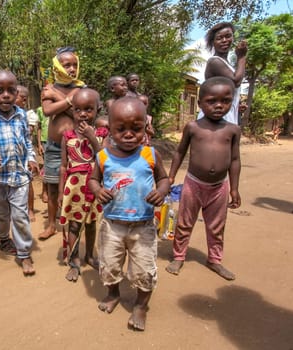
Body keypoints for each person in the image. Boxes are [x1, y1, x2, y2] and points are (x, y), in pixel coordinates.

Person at [88, 97, 169, 331]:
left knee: (144, 269)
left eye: (136, 128)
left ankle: (141, 306)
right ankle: (113, 294)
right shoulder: (103, 156)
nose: (129, 134)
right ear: (110, 129)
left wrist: (161, 191)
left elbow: (163, 179)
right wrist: (98, 190)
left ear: (145, 127)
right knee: (110, 265)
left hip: (143, 225)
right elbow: (93, 179)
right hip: (113, 225)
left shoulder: (150, 155)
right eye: (120, 129)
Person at [165, 77, 241, 281]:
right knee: (184, 222)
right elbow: (180, 152)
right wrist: (171, 176)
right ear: (200, 104)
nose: (219, 105)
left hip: (219, 187)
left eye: (225, 101)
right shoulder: (193, 127)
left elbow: (234, 159)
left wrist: (234, 189)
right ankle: (179, 256)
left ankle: (215, 260)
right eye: (211, 101)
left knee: (217, 225)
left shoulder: (232, 130)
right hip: (194, 184)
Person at [0, 70, 39, 276]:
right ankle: (4, 239)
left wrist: (31, 159)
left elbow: (27, 143)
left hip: (19, 176)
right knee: (0, 215)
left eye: (11, 91)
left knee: (20, 216)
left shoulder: (22, 116)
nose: (6, 95)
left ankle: (24, 253)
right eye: (0, 91)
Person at [58, 89, 107, 282]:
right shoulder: (67, 136)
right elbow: (63, 167)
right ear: (72, 111)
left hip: (94, 187)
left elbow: (105, 159)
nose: (83, 114)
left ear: (98, 109)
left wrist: (92, 138)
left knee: (91, 223)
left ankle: (90, 255)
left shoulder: (102, 135)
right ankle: (74, 261)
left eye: (88, 109)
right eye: (78, 110)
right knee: (74, 224)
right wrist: (61, 191)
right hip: (74, 188)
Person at [39, 46, 85, 240]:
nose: (72, 69)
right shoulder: (47, 88)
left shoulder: (82, 89)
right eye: (67, 65)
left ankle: (75, 223)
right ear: (57, 66)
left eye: (74, 65)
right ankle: (51, 225)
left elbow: (80, 116)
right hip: (55, 147)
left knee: (77, 186)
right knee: (51, 187)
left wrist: (60, 99)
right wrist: (69, 101)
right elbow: (48, 111)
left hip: (77, 148)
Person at [198, 22, 247, 125]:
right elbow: (236, 81)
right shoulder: (215, 62)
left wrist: (236, 106)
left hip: (225, 114)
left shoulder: (227, 64)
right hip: (216, 119)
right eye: (219, 38)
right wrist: (242, 57)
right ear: (213, 42)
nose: (224, 40)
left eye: (228, 36)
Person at [15, 85, 38, 222]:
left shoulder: (28, 115)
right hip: (10, 155)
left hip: (24, 154)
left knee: (28, 182)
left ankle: (30, 209)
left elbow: (28, 132)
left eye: (24, 99)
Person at [36, 106, 49, 204]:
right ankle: (44, 191)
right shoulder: (40, 110)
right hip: (45, 141)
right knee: (46, 167)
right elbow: (39, 128)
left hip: (58, 140)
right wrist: (39, 144)